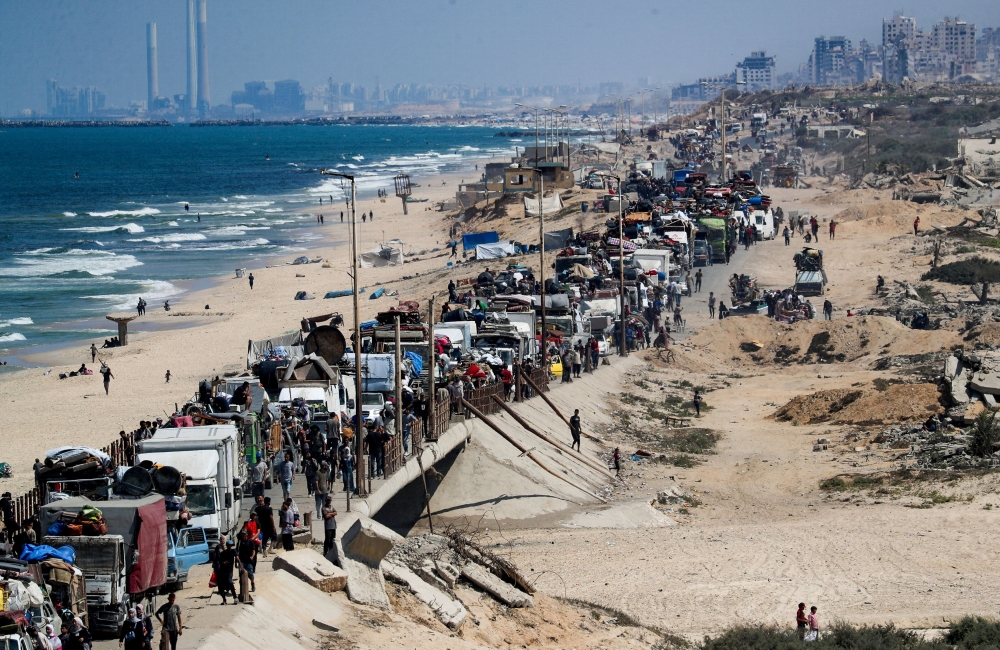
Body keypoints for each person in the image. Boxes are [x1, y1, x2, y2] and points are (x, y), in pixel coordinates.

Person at [215, 539, 238, 604]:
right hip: (222, 571)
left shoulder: (233, 551)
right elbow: (219, 561)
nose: (229, 547)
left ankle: (235, 597)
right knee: (220, 586)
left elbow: (237, 557)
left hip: (229, 571)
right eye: (228, 545)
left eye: (230, 545)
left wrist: (240, 565)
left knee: (230, 583)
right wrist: (223, 563)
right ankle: (224, 600)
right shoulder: (223, 553)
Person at [236, 528, 257, 593]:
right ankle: (242, 589)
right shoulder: (239, 542)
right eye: (243, 534)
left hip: (249, 561)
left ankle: (252, 584)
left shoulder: (250, 542)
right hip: (242, 561)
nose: (244, 535)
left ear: (247, 534)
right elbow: (237, 552)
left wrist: (252, 556)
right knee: (241, 575)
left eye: (245, 534)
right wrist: (237, 561)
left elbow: (253, 550)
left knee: (250, 574)